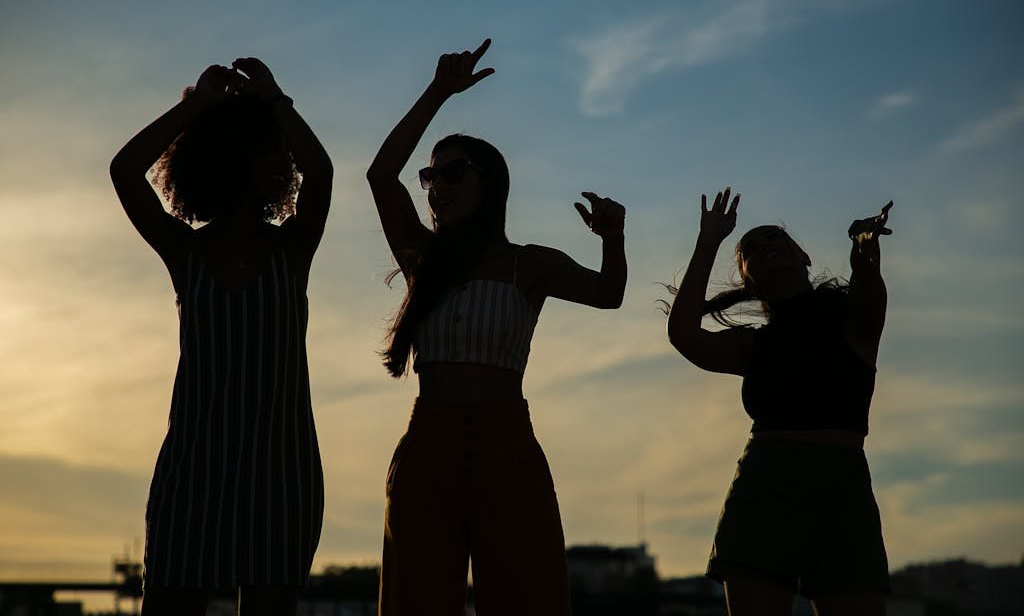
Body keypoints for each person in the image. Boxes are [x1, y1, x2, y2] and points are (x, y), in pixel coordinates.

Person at [367, 39, 627, 615]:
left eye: (454, 172)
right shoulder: (422, 259)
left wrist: (613, 239)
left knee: (526, 593)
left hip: (506, 445)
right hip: (427, 444)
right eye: (432, 175)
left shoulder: (529, 264)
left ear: (491, 183)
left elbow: (610, 295)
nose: (438, 186)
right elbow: (382, 176)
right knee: (417, 597)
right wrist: (437, 91)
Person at [110, 58, 332, 616]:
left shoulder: (292, 249)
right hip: (194, 464)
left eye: (277, 150)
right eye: (264, 149)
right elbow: (124, 170)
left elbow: (321, 172)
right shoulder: (186, 251)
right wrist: (195, 107)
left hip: (279, 466)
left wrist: (276, 97)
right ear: (226, 160)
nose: (279, 161)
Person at [666, 188, 892, 616]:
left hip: (844, 488)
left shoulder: (853, 321)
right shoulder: (754, 345)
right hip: (766, 484)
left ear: (803, 257)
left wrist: (864, 245)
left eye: (776, 238)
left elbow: (868, 284)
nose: (767, 246)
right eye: (752, 248)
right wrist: (708, 241)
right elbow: (684, 335)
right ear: (748, 278)